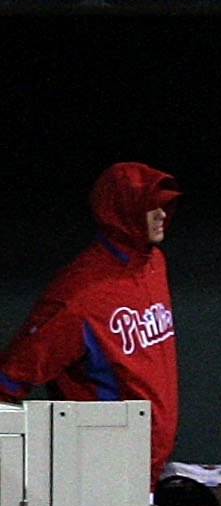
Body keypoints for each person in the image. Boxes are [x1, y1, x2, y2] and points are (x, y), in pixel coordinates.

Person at [0, 162, 181, 486]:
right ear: (122, 209)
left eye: (163, 204)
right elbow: (10, 377)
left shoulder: (154, 263)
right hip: (100, 468)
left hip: (148, 467)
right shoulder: (80, 293)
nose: (162, 214)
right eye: (150, 206)